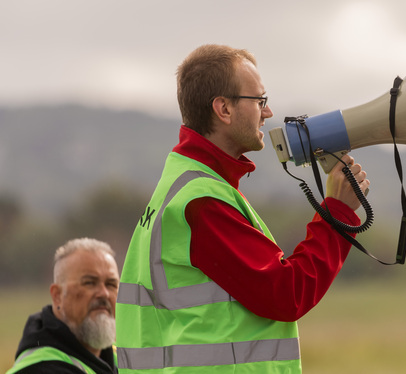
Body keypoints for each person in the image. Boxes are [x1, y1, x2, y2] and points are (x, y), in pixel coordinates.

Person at [115, 44, 370, 373]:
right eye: (259, 100)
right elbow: (285, 293)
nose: (267, 112)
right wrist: (337, 215)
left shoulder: (189, 182)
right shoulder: (201, 200)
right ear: (223, 108)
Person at [7, 238, 120, 374]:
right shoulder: (39, 369)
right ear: (57, 296)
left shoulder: (121, 359)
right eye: (89, 283)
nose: (104, 293)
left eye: (111, 284)